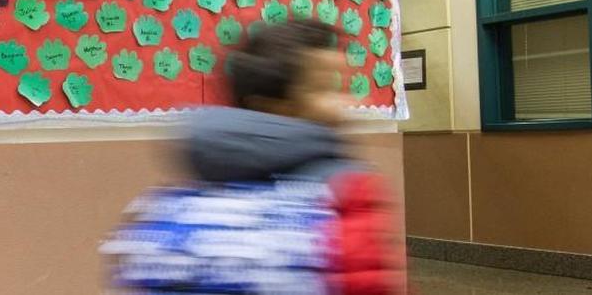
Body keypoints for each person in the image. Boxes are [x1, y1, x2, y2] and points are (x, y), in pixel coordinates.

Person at [103, 20, 403, 294]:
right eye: (326, 89)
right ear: (269, 106)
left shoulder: (180, 199)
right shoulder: (346, 192)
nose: (349, 103)